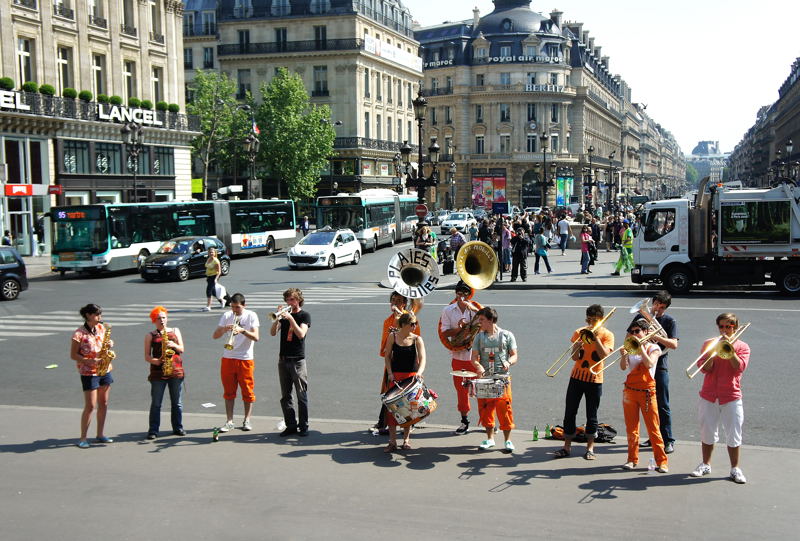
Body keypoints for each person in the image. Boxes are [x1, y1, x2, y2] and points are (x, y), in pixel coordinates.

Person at [690, 313, 750, 484]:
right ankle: (705, 464)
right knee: (707, 431)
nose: (725, 330)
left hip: (731, 395)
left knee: (733, 433)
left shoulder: (743, 346)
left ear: (735, 328)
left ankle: (735, 469)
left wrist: (729, 349)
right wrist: (714, 352)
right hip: (708, 394)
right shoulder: (709, 344)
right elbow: (704, 368)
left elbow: (739, 367)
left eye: (728, 327)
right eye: (721, 327)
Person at [555, 304, 614, 460]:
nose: (591, 323)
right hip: (576, 377)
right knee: (569, 412)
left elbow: (603, 356)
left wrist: (595, 339)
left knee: (591, 415)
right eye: (589, 319)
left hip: (595, 379)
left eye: (595, 320)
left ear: (601, 320)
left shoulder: (608, 335)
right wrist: (576, 346)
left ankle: (590, 448)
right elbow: (575, 358)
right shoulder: (579, 332)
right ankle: (566, 447)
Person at [619, 318, 668, 472]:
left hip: (647, 392)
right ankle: (631, 459)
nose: (634, 335)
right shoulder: (630, 348)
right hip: (630, 391)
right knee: (631, 428)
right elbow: (623, 368)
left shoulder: (654, 348)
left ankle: (662, 461)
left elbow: (650, 364)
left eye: (637, 332)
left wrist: (640, 348)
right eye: (632, 332)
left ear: (646, 332)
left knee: (654, 428)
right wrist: (623, 355)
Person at [470, 307, 518, 453]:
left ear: (491, 320)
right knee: (485, 409)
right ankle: (490, 438)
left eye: (482, 320)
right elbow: (473, 358)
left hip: (502, 378)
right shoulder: (479, 337)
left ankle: (507, 440)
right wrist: (478, 367)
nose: (480, 322)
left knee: (505, 409)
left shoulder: (507, 335)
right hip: (485, 378)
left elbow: (514, 355)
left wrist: (508, 362)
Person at [636, 291, 679, 454]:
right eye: (656, 305)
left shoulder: (669, 321)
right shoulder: (640, 319)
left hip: (660, 365)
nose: (657, 310)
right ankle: (654, 437)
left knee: (662, 404)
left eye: (662, 308)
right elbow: (630, 337)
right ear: (652, 302)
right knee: (648, 405)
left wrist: (656, 336)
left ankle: (668, 440)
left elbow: (673, 345)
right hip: (643, 364)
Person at [212, 292, 260, 432]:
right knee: (229, 391)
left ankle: (247, 420)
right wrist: (223, 329)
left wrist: (242, 330)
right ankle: (229, 421)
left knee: (247, 390)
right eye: (232, 307)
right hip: (228, 357)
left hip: (245, 358)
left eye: (237, 307)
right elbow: (215, 336)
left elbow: (256, 337)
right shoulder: (227, 316)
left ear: (244, 305)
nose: (234, 310)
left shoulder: (251, 316)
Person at [70, 303, 114, 449]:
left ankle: (100, 434)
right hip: (89, 372)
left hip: (104, 368)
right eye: (97, 314)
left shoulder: (101, 328)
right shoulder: (79, 333)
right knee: (90, 406)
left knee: (104, 403)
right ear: (88, 315)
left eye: (100, 314)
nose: (99, 317)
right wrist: (88, 360)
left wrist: (109, 345)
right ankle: (83, 438)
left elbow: (103, 344)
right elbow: (73, 355)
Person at [439, 281, 480, 435]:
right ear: (456, 294)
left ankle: (488, 420)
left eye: (465, 294)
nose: (462, 297)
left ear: (470, 295)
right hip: (459, 356)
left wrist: (474, 311)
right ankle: (464, 421)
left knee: (482, 389)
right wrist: (460, 328)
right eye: (459, 293)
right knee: (461, 391)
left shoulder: (476, 309)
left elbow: (488, 326)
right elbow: (445, 333)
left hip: (476, 357)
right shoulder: (448, 310)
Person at [382, 312, 427, 452]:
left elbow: (423, 358)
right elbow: (387, 356)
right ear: (403, 324)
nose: (414, 326)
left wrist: (419, 374)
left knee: (409, 410)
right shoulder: (392, 336)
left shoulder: (417, 339)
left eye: (415, 323)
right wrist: (390, 373)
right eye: (412, 324)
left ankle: (406, 440)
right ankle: (392, 441)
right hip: (395, 377)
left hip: (411, 377)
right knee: (393, 410)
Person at [270, 288, 311, 437]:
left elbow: (301, 334)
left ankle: (304, 426)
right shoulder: (283, 317)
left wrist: (291, 319)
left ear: (299, 300)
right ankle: (291, 425)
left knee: (301, 395)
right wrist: (277, 318)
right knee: (285, 395)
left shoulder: (304, 315)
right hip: (283, 360)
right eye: (287, 300)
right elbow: (273, 333)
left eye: (292, 299)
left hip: (298, 361)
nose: (289, 302)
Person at [144, 306, 185, 439]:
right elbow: (147, 357)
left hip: (175, 371)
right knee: (156, 403)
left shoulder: (175, 331)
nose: (162, 320)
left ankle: (178, 427)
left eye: (163, 318)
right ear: (154, 321)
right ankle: (153, 430)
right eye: (158, 318)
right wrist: (157, 361)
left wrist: (174, 345)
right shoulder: (150, 335)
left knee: (177, 402)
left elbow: (182, 349)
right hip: (158, 373)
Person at [203, 246, 222, 311]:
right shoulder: (208, 259)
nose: (211, 253)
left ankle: (208, 306)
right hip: (209, 277)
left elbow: (219, 272)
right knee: (213, 292)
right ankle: (222, 300)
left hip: (214, 277)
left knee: (208, 291)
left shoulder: (216, 261)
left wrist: (216, 279)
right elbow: (207, 267)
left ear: (214, 253)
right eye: (210, 252)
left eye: (212, 252)